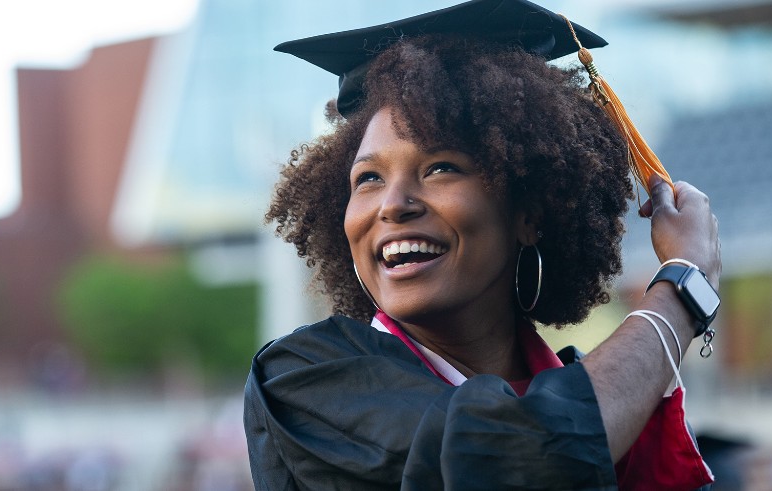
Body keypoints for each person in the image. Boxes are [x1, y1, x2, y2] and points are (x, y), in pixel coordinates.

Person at [245, 0, 722, 489]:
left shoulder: (612, 394)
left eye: (440, 168)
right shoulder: (308, 379)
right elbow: (521, 456)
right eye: (367, 178)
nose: (392, 205)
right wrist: (683, 287)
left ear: (528, 215)